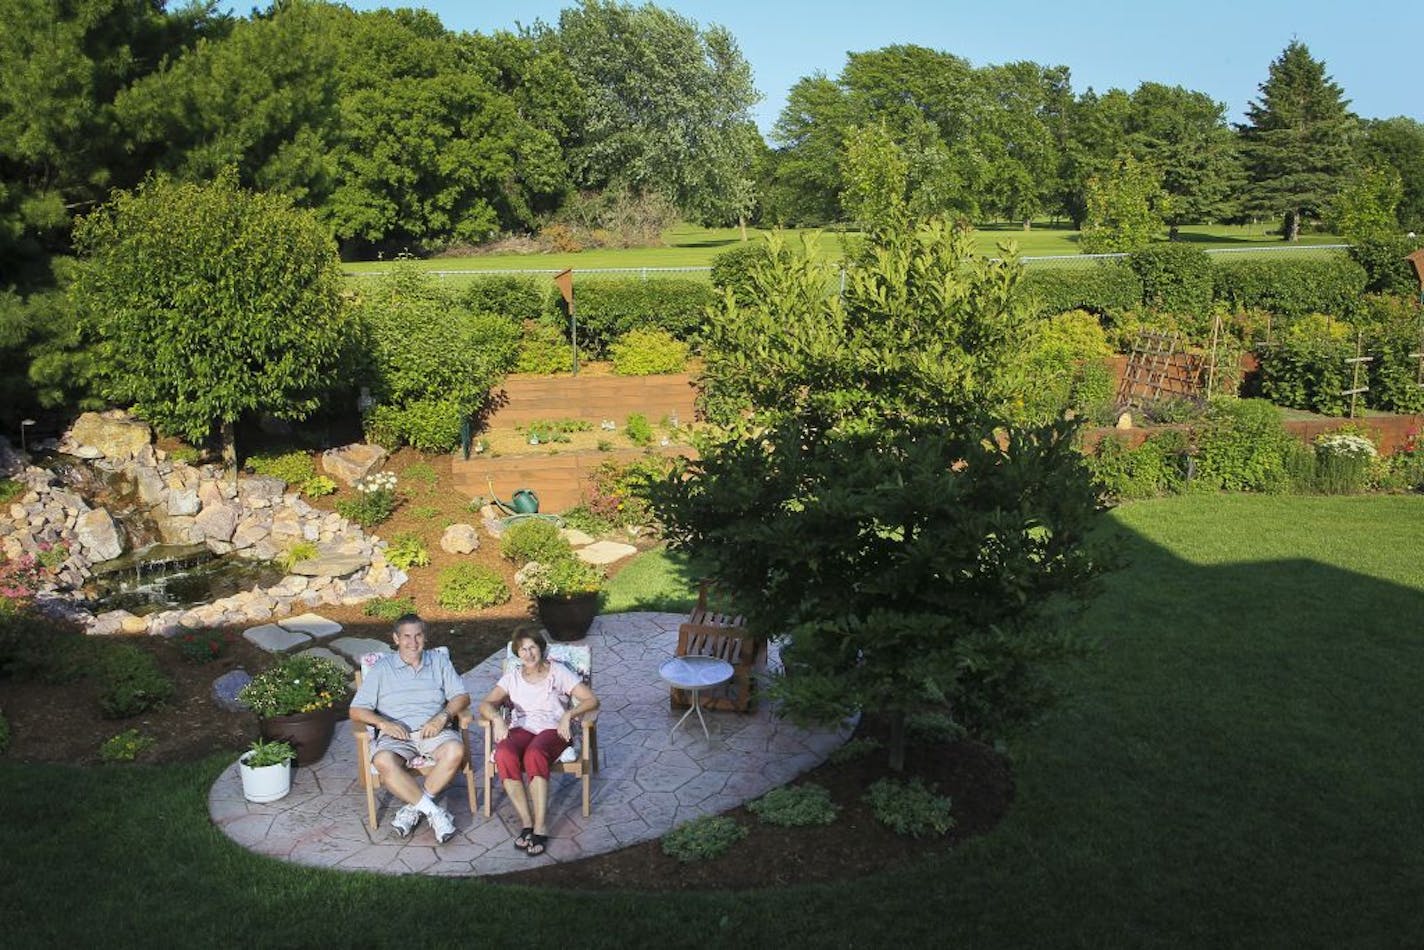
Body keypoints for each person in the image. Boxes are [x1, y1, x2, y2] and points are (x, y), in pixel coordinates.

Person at [348, 614, 471, 843]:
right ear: (396, 638)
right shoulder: (382, 669)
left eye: (418, 635)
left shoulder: (439, 661)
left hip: (432, 731)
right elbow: (356, 711)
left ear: (425, 637)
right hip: (397, 735)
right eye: (406, 636)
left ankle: (412, 810)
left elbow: (461, 697)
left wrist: (442, 717)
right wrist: (384, 724)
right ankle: (434, 812)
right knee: (383, 761)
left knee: (455, 750)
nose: (413, 642)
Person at [479, 629, 599, 856]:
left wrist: (568, 715)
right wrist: (497, 719)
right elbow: (486, 704)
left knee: (534, 754)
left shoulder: (558, 672)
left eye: (532, 647)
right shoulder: (512, 677)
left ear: (541, 648)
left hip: (553, 729)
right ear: (517, 653)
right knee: (504, 754)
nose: (528, 653)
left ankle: (541, 825)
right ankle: (527, 823)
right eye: (523, 649)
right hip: (521, 728)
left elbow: (591, 699)